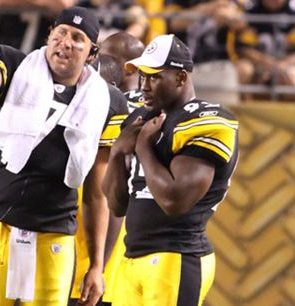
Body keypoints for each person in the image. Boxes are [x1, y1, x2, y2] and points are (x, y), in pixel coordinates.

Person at [0, 6, 127, 306]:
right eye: (61, 33)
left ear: (92, 54)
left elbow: (96, 193)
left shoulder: (107, 101)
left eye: (78, 38)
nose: (66, 42)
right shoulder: (14, 64)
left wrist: (96, 265)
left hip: (53, 236)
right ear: (49, 36)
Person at [102, 34, 239, 306]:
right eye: (142, 76)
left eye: (154, 77)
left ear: (180, 78)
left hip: (175, 256)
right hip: (132, 258)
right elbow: (116, 205)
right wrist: (118, 153)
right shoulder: (140, 118)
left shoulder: (206, 119)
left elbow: (174, 201)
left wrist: (143, 148)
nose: (144, 86)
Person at [69, 31, 145, 306]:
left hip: (95, 238)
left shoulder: (112, 107)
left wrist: (97, 265)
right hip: (132, 247)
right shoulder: (154, 108)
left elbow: (109, 194)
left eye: (105, 56)